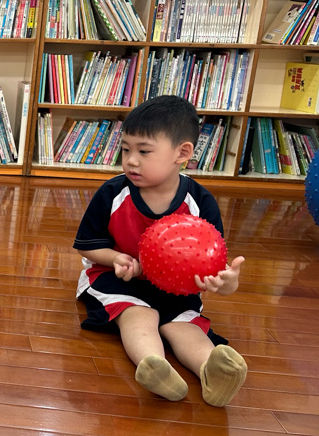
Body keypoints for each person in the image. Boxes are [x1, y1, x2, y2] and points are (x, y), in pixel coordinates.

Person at [73, 95, 246, 406]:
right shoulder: (113, 192)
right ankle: (153, 366)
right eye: (126, 149)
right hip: (117, 280)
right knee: (138, 315)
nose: (131, 160)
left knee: (183, 325)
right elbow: (88, 246)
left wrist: (227, 283)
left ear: (182, 153)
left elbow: (212, 266)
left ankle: (212, 371)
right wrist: (117, 258)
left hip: (174, 288)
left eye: (144, 151)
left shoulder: (200, 202)